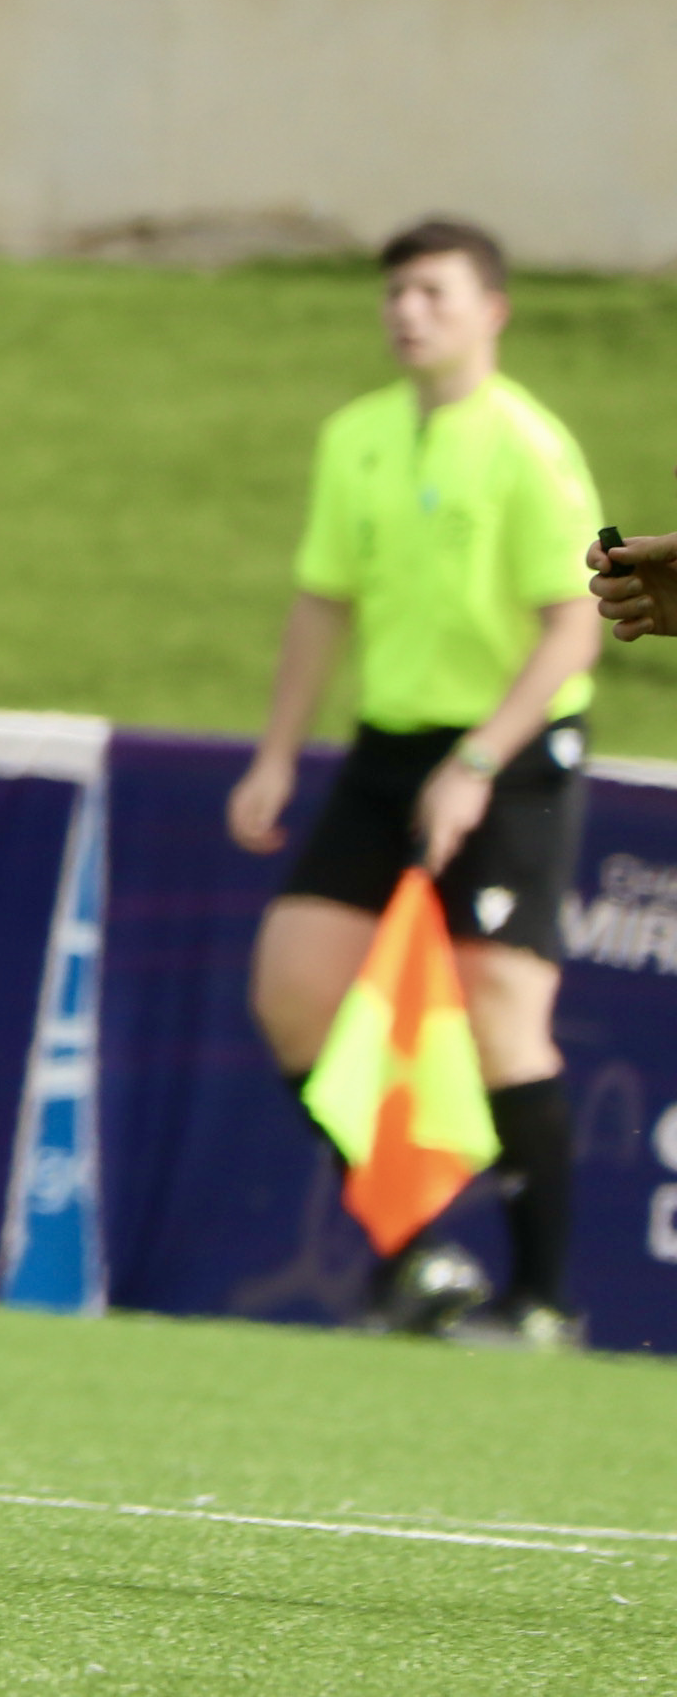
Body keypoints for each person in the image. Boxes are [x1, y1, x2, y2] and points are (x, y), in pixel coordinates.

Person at [227, 217, 600, 1347]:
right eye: (396, 293)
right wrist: (279, 750)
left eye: (435, 292)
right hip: (388, 748)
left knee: (501, 1021)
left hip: (516, 751)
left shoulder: (531, 445)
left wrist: (479, 762)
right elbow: (322, 598)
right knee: (294, 990)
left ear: (493, 309)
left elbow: (578, 623)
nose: (408, 312)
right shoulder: (358, 437)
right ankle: (418, 1259)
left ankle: (539, 1303)